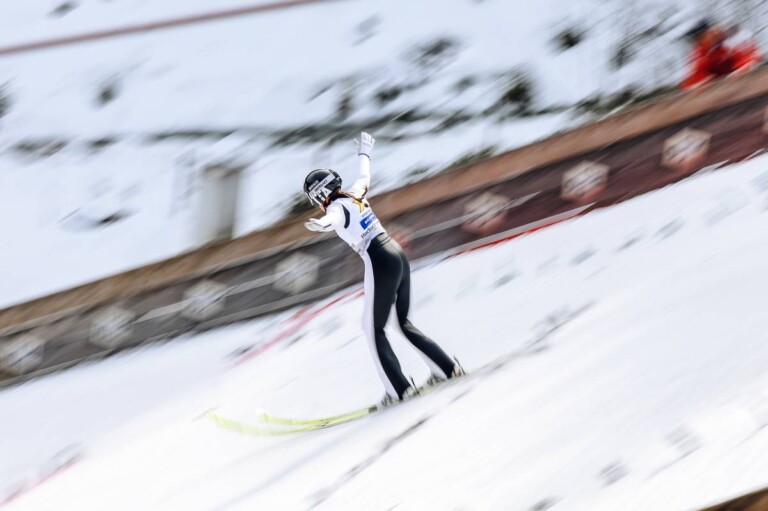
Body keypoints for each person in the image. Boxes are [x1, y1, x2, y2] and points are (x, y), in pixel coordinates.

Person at [303, 131, 463, 406]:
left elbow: (333, 217)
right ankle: (446, 368)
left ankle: (398, 389)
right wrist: (364, 151)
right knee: (401, 322)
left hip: (377, 258)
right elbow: (365, 176)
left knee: (372, 327)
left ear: (319, 195)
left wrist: (321, 225)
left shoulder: (336, 209)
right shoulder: (355, 194)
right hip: (395, 251)